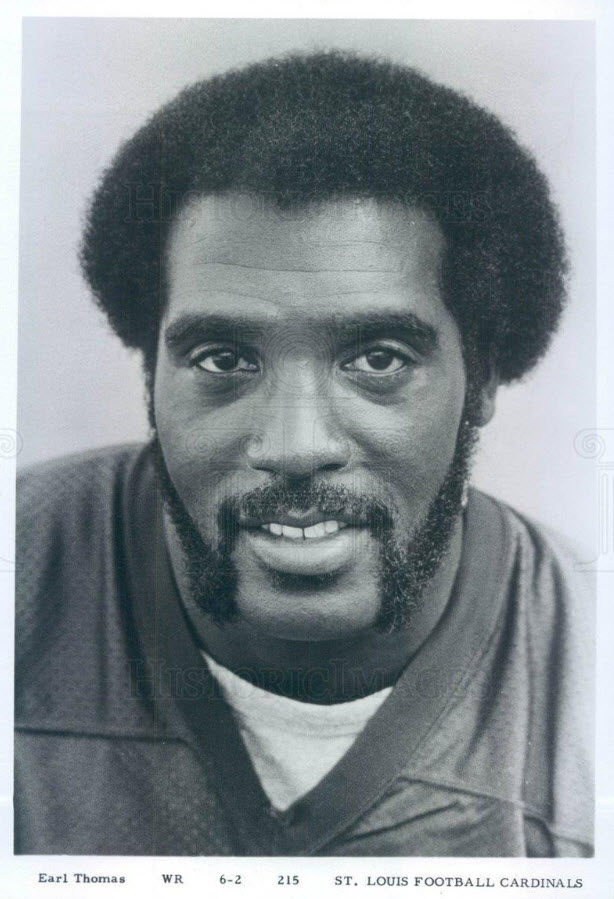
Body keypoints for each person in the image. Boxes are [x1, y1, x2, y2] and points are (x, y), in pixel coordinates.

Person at [14, 50, 593, 857]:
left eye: (378, 359)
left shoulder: (587, 690)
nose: (294, 446)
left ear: (482, 376)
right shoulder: (22, 575)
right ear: (151, 376)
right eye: (223, 358)